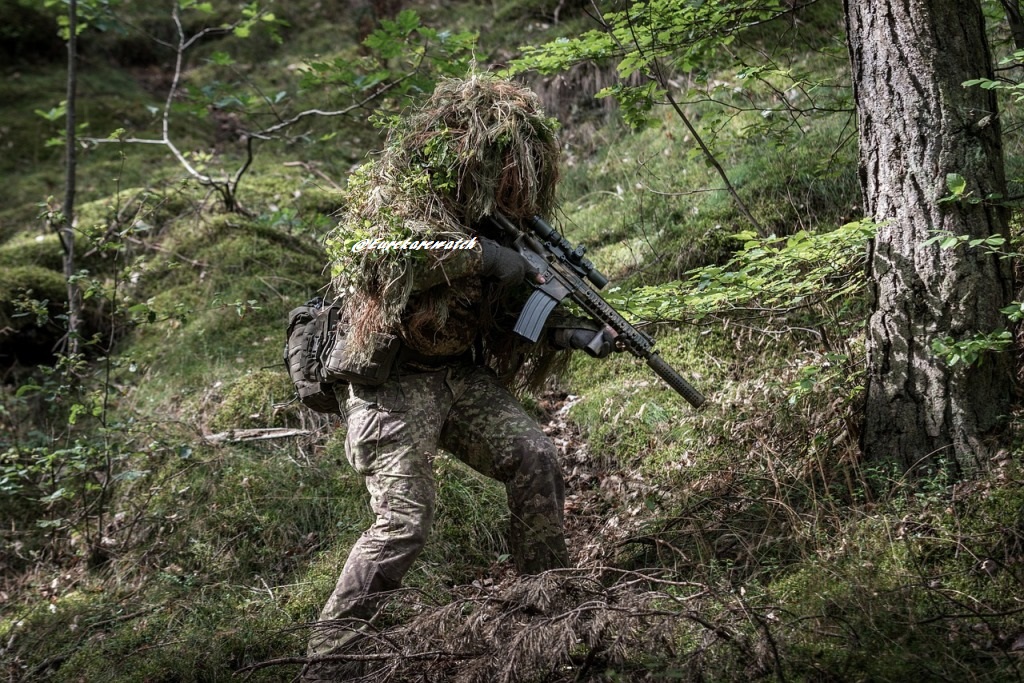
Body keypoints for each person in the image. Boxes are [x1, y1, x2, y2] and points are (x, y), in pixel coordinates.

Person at [304, 74, 617, 681]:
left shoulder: (508, 224)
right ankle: (328, 660)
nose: (511, 180)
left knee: (535, 457)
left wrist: (571, 333)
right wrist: (489, 257)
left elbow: (508, 315)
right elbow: (376, 260)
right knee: (403, 523)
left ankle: (545, 608)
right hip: (391, 385)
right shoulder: (404, 201)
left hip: (458, 377)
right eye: (501, 165)